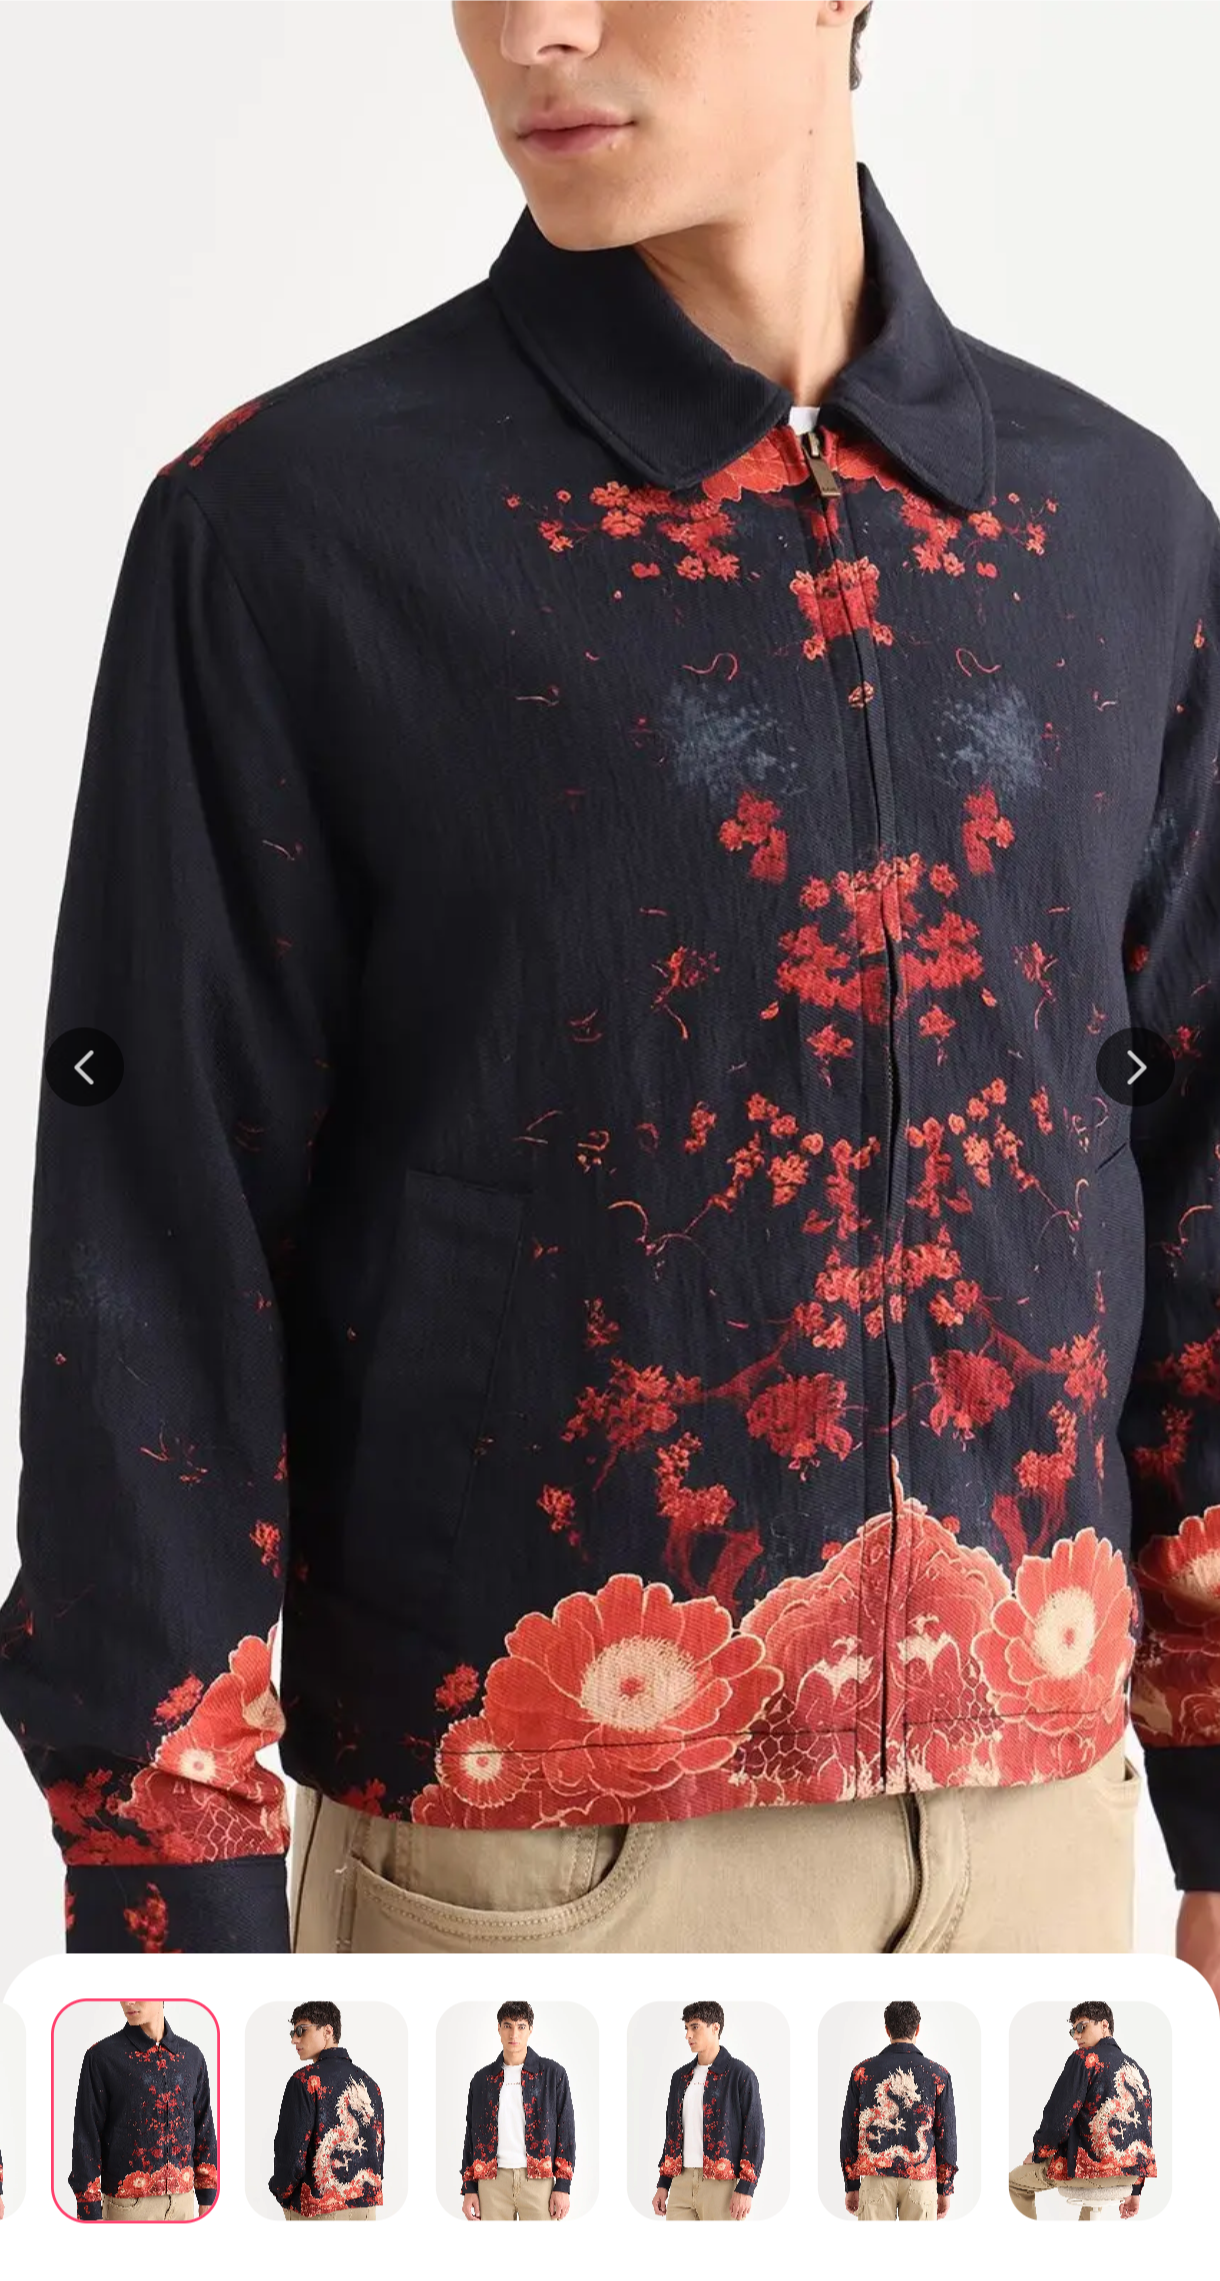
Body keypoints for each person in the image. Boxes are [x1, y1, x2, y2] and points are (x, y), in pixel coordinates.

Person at [1, 2, 1218, 1983]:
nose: (534, 30)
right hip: (533, 1898)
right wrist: (170, 1934)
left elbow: (1195, 1171)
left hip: (1047, 1877)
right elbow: (162, 1231)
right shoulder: (301, 529)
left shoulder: (1113, 527)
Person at [67, 2001, 216, 2222]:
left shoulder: (192, 2057)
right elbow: (87, 2137)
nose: (128, 2001)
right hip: (128, 2208)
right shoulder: (102, 2057)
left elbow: (203, 2128)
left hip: (184, 2204)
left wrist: (208, 2197)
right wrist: (89, 2212)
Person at [1008, 2001, 1156, 2221]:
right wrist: (1135, 2190)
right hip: (1127, 2176)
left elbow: (1057, 2120)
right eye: (1072, 2031)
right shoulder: (1138, 2070)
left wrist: (1039, 2154)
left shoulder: (1084, 2060)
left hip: (1091, 2172)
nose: (1076, 2036)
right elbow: (1144, 2133)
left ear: (1104, 2025)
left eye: (1081, 2027)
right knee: (1094, 2182)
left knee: (1014, 2183)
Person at [839, 2000, 955, 2221]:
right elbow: (946, 2136)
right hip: (921, 2180)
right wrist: (945, 2187)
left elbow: (849, 2132)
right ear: (917, 2030)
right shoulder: (937, 2075)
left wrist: (852, 2184)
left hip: (875, 2178)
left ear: (887, 2030)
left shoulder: (862, 2072)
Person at [269, 2001, 384, 2219]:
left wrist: (280, 2192)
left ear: (328, 2031)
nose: (294, 2039)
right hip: (366, 2209)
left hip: (319, 2209)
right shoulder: (370, 2084)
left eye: (301, 2030)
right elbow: (378, 2148)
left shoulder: (305, 2081)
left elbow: (291, 2156)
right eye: (293, 2032)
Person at [460, 2001, 574, 2220]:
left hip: (539, 2182)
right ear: (499, 2029)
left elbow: (566, 2133)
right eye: (507, 2026)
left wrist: (563, 2185)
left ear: (530, 2029)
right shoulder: (481, 2081)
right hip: (491, 2183)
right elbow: (471, 2136)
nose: (514, 2034)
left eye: (521, 2026)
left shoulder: (552, 2075)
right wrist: (469, 2187)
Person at [652, 2002, 762, 2222]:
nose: (688, 2035)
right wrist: (664, 2183)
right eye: (686, 2028)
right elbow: (672, 2135)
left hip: (721, 2185)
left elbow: (754, 2135)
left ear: (715, 2028)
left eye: (695, 2027)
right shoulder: (680, 2078)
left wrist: (746, 2187)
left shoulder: (740, 2075)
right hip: (681, 2182)